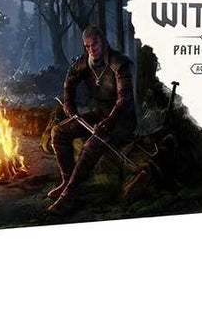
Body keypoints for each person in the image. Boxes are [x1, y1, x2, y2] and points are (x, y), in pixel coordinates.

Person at [48, 25, 136, 215]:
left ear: (102, 41)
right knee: (59, 132)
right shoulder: (85, 62)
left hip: (122, 120)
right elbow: (70, 79)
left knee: (91, 144)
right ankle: (67, 181)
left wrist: (109, 123)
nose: (91, 50)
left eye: (94, 44)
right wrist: (68, 103)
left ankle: (70, 195)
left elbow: (124, 100)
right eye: (87, 46)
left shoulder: (120, 63)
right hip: (99, 113)